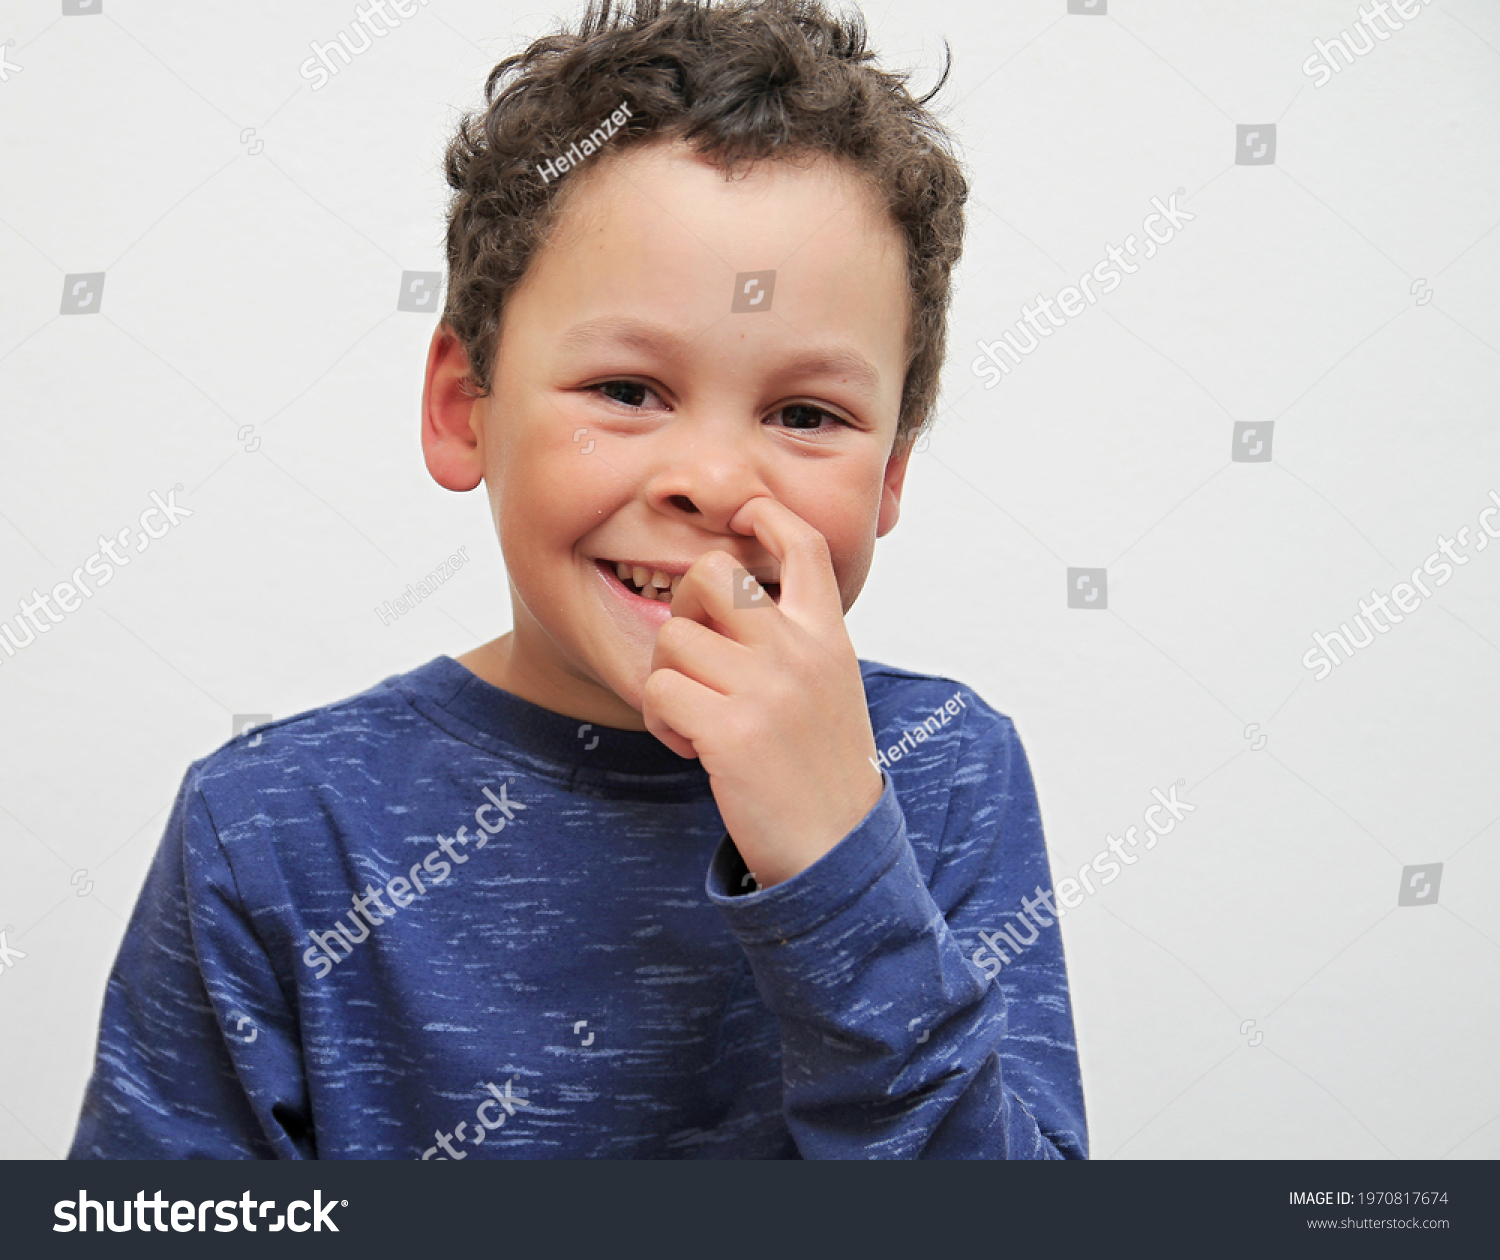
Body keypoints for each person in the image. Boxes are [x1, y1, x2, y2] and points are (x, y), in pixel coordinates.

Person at [69, 0, 1086, 1159]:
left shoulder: (944, 774)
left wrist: (837, 861)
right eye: (626, 389)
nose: (709, 478)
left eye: (806, 415)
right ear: (465, 408)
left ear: (892, 472)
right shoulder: (269, 831)